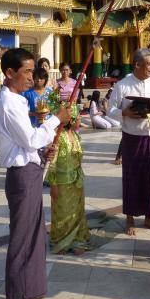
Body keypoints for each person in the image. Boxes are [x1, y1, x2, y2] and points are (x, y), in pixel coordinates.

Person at [0, 48, 71, 299]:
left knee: (34, 233)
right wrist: (56, 120)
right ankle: (13, 297)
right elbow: (31, 137)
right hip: (21, 176)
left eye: (32, 70)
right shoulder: (7, 103)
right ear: (9, 72)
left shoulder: (17, 100)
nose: (31, 76)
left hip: (29, 170)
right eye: (26, 71)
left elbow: (27, 143)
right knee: (22, 235)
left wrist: (40, 150)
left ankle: (28, 287)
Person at [108, 48, 150, 236]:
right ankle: (130, 218)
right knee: (132, 179)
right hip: (132, 138)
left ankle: (149, 217)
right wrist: (125, 112)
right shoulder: (123, 85)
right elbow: (110, 109)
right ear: (137, 64)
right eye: (148, 64)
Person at [46, 103, 90, 254]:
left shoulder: (76, 135)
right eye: (77, 117)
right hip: (62, 182)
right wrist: (53, 184)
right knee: (62, 213)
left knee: (77, 212)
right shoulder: (58, 137)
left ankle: (78, 240)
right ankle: (61, 241)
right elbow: (52, 163)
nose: (79, 120)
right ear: (70, 119)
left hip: (77, 180)